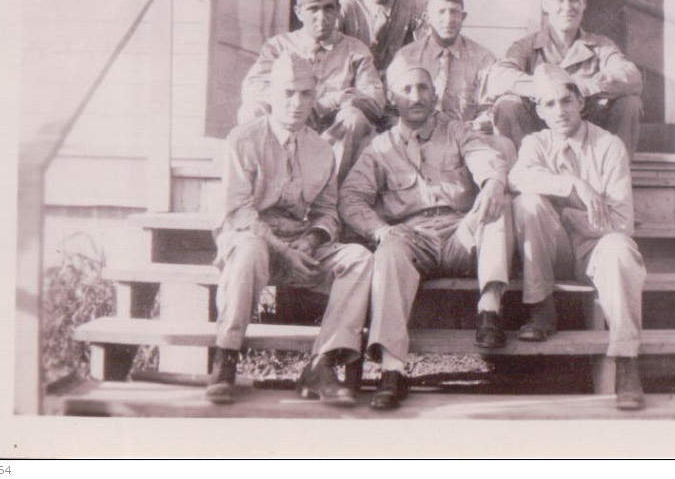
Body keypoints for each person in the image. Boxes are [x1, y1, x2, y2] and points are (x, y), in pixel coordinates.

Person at [339, 58, 514, 411]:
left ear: (435, 95)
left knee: (498, 205)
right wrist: (380, 229)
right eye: (407, 90)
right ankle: (392, 369)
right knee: (388, 248)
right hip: (412, 238)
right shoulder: (379, 147)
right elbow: (351, 197)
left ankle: (489, 308)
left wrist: (493, 184)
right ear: (393, 99)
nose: (416, 97)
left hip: (459, 235)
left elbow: (485, 158)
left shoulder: (457, 132)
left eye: (423, 88)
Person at [207, 54, 373, 407]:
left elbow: (327, 211)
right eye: (288, 93)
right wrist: (284, 251)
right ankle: (226, 355)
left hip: (299, 243)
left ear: (315, 97)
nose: (297, 104)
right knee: (251, 247)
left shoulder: (323, 150)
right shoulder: (243, 140)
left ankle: (322, 363)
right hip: (250, 239)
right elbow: (238, 211)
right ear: (270, 94)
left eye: (306, 94)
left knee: (358, 258)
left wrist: (311, 241)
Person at [509, 63, 647, 411]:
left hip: (594, 249)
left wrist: (567, 214)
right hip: (551, 252)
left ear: (581, 102)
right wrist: (573, 185)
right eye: (550, 104)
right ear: (539, 111)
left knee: (620, 250)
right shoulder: (534, 144)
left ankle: (627, 360)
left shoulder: (609, 146)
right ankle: (542, 307)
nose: (560, 111)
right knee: (530, 204)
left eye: (566, 101)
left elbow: (620, 223)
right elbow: (517, 179)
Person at [484, 0, 644, 160]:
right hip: (538, 135)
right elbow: (499, 77)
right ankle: (522, 180)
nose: (567, 7)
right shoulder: (526, 46)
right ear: (545, 5)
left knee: (629, 103)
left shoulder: (600, 45)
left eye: (574, 0)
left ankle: (613, 177)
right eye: (559, 0)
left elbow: (632, 76)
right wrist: (547, 87)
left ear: (584, 4)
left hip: (587, 138)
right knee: (507, 105)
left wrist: (584, 87)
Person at [237, 0, 385, 182]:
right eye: (313, 9)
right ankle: (265, 188)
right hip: (287, 129)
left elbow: (375, 99)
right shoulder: (278, 46)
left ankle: (326, 192)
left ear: (337, 10)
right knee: (252, 111)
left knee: (354, 118)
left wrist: (334, 101)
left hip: (332, 134)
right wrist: (297, 103)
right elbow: (253, 88)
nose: (322, 17)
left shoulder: (355, 50)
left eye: (328, 8)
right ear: (299, 13)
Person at [388, 0, 496, 129]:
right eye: (441, 12)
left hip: (466, 136)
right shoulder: (406, 58)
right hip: (418, 137)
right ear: (427, 18)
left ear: (463, 17)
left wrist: (477, 126)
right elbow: (392, 111)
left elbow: (488, 109)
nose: (448, 19)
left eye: (454, 12)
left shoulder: (483, 58)